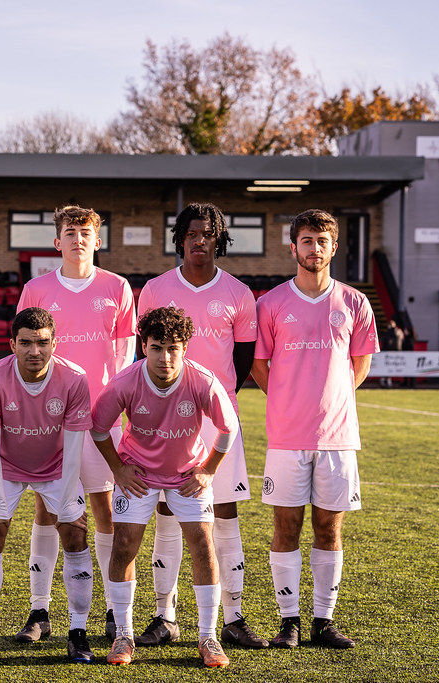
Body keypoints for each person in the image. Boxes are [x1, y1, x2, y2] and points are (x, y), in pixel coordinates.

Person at [136, 203, 266, 649]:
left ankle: (233, 618)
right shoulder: (155, 290)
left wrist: (217, 399)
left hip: (216, 419)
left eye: (207, 234)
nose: (199, 241)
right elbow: (144, 353)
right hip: (165, 420)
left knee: (224, 513)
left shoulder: (238, 293)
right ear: (180, 239)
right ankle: (164, 616)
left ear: (218, 239)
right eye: (191, 233)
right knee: (167, 513)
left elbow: (243, 360)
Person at [251, 208, 378, 649]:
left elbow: (360, 365)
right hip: (287, 437)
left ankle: (323, 622)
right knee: (286, 528)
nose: (314, 248)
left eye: (322, 241)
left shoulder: (355, 302)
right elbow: (260, 366)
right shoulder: (270, 304)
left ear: (334, 247)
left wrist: (330, 401)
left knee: (329, 529)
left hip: (338, 438)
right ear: (294, 247)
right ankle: (289, 622)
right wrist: (290, 400)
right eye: (307, 240)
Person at [91, 306, 239, 669]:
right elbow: (98, 427)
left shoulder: (202, 380)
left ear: (185, 348)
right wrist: (118, 468)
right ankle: (123, 634)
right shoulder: (125, 381)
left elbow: (229, 428)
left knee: (202, 544)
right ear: (144, 346)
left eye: (173, 348)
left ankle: (208, 636)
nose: (165, 357)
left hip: (187, 474)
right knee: (124, 545)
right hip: (139, 474)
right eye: (157, 348)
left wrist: (208, 470)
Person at [16, 205, 135, 640]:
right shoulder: (36, 289)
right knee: (46, 508)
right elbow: (25, 353)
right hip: (51, 418)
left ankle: (113, 609)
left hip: (101, 419)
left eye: (86, 233)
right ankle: (39, 611)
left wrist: (116, 410)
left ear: (97, 241)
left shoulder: (117, 287)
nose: (78, 239)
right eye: (70, 232)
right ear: (57, 241)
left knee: (105, 509)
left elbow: (124, 357)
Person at [0, 307, 94, 665]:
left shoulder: (74, 378)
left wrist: (68, 501)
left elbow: (74, 449)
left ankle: (78, 634)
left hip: (57, 468)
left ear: (55, 343)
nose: (34, 351)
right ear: (12, 344)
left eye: (42, 343)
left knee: (75, 535)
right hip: (6, 468)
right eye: (25, 343)